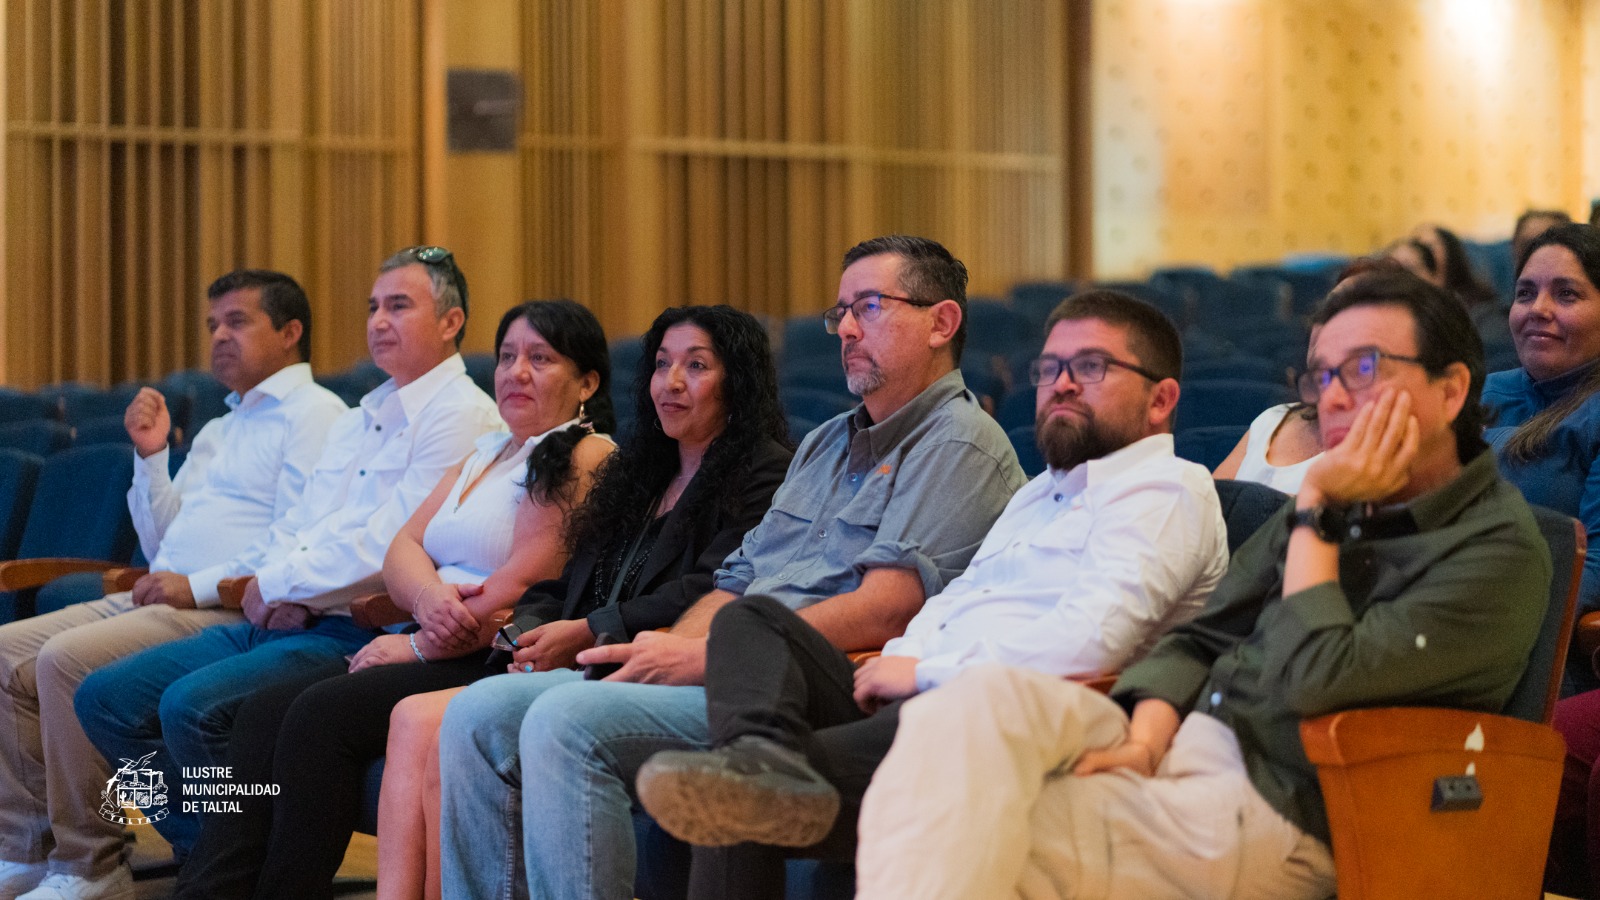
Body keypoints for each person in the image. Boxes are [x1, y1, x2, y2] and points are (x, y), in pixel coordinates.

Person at [851, 268, 1551, 900]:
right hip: (1179, 743)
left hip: (1285, 804)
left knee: (966, 827)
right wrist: (1146, 741)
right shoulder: (1345, 502)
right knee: (966, 707)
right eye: (1321, 376)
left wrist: (1316, 511)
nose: (1331, 400)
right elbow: (1202, 632)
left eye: (1362, 370)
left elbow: (1315, 680)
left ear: (1452, 388)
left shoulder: (1496, 550)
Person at [437, 234, 1027, 900]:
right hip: (728, 663)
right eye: (842, 312)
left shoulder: (960, 442)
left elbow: (887, 605)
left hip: (807, 694)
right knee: (479, 716)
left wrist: (701, 661)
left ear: (941, 323)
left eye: (869, 306)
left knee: (566, 724)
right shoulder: (828, 442)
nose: (849, 329)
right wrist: (669, 651)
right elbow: (738, 583)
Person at [633, 290, 1230, 899]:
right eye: (1049, 369)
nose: (1062, 385)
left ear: (1161, 399)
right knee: (753, 620)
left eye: (1091, 367)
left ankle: (760, 773)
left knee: (725, 798)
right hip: (912, 697)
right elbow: (956, 598)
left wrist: (923, 673)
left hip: (1004, 720)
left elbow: (1092, 641)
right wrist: (901, 660)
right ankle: (761, 759)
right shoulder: (1039, 493)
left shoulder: (1166, 491)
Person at [166, 300, 615, 900]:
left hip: (489, 651)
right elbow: (401, 547)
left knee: (317, 717)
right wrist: (427, 598)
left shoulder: (583, 453)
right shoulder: (485, 451)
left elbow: (527, 586)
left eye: (540, 359)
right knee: (260, 713)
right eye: (507, 357)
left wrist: (415, 642)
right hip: (425, 628)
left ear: (586, 381)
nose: (516, 372)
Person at [72, 246, 500, 867]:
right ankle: (212, 851)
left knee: (190, 709)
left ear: (451, 321)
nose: (378, 320)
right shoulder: (364, 415)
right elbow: (303, 521)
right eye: (373, 307)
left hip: (351, 625)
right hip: (283, 612)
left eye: (399, 306)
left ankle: (231, 865)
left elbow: (389, 544)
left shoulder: (461, 415)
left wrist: (280, 585)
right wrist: (271, 583)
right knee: (103, 699)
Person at [0, 270, 347, 900]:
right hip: (169, 591)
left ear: (291, 332)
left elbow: (303, 534)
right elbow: (165, 545)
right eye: (213, 324)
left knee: (63, 662)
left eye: (237, 322)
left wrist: (202, 586)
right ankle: (25, 848)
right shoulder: (220, 426)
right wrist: (152, 457)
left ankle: (91, 862)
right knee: (4, 654)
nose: (219, 336)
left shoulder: (318, 415)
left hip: (231, 608)